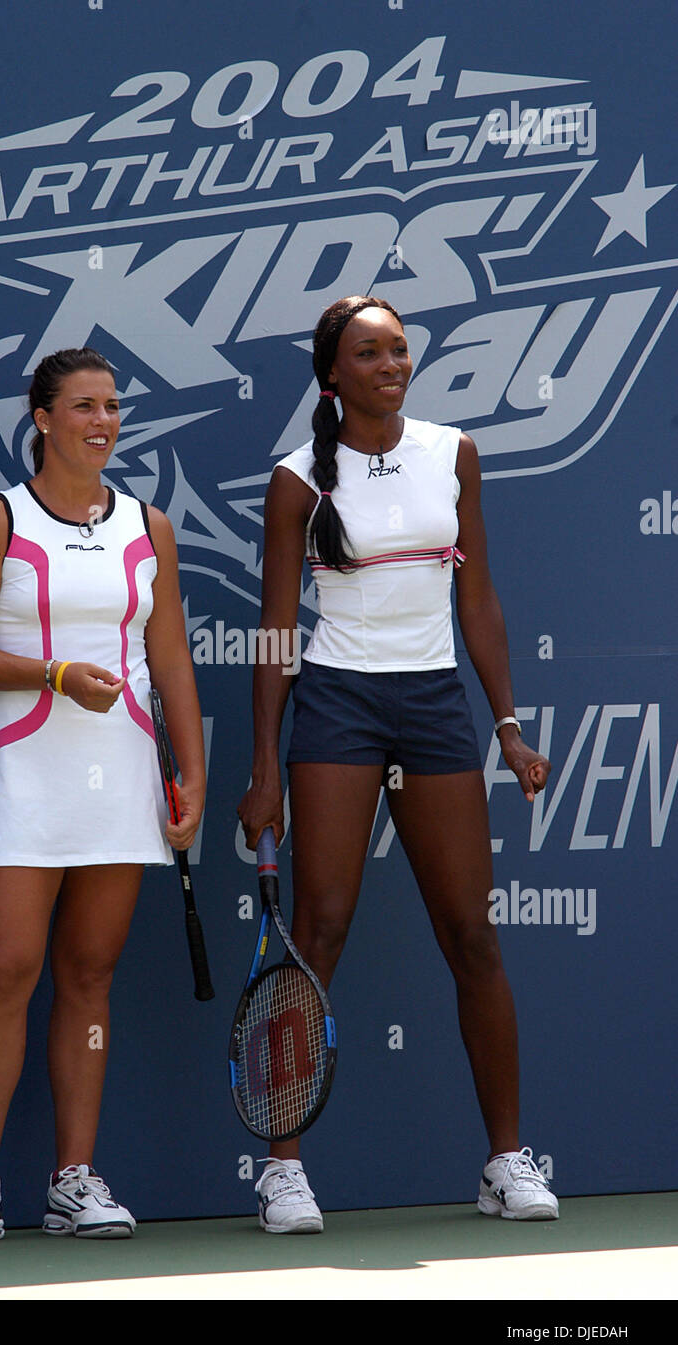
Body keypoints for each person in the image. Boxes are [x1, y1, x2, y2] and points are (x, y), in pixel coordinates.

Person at [238, 296, 558, 1234]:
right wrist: (264, 765)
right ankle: (284, 1168)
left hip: (430, 707)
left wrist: (505, 722)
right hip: (335, 702)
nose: (391, 364)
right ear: (331, 373)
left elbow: (479, 596)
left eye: (399, 349)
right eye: (368, 352)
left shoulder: (451, 451)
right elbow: (274, 629)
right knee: (320, 929)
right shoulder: (297, 479)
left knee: (472, 935)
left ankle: (504, 1160)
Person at [0, 347, 204, 1244]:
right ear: (42, 420)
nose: (103, 421)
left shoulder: (150, 527)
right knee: (5, 972)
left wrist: (191, 769)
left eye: (112, 405)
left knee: (89, 978)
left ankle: (75, 1182)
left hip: (121, 774)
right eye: (82, 406)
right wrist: (53, 673)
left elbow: (170, 659)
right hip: (24, 772)